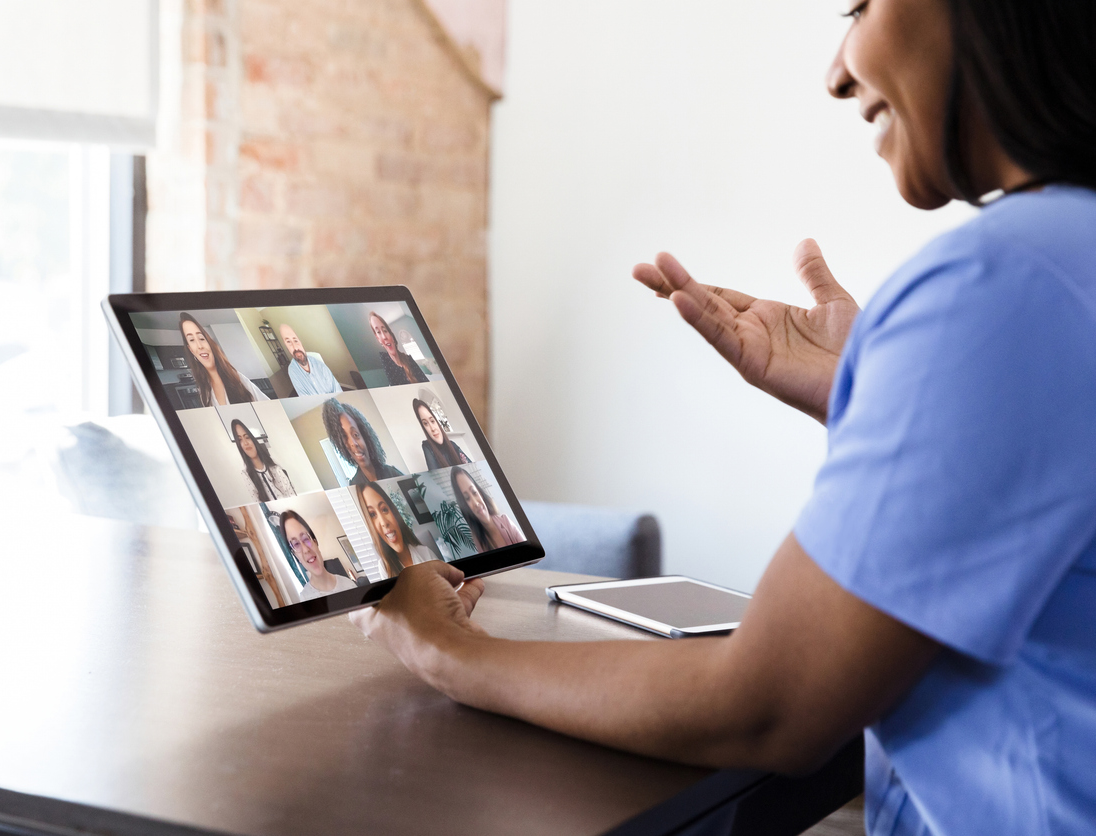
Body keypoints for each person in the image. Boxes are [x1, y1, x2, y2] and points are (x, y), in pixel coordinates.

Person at [349, 3, 1096, 835]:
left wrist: (446, 652)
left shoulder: (1004, 283)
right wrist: (880, 388)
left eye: (861, 7)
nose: (837, 71)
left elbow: (768, 704)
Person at [180, 312, 268, 407]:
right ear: (191, 350)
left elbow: (268, 406)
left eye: (201, 338)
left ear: (209, 342)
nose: (199, 346)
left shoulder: (236, 378)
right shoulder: (204, 392)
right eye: (192, 340)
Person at [357, 481, 442, 578]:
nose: (384, 522)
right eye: (372, 514)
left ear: (394, 512)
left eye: (384, 509)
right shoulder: (385, 568)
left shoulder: (425, 553)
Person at [321, 398, 405, 486]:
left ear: (365, 436)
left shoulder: (392, 473)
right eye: (345, 438)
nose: (353, 443)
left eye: (356, 435)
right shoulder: (355, 485)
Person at [281, 510, 357, 602]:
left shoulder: (349, 584)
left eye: (305, 538)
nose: (305, 550)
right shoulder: (305, 599)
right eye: (296, 544)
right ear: (296, 556)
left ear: (315, 542)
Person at [450, 467, 524, 552]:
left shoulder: (506, 521)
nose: (476, 503)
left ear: (480, 493)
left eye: (474, 492)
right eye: (467, 498)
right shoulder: (479, 542)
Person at [231, 419, 295, 502]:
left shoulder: (276, 469)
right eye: (240, 440)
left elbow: (291, 494)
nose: (245, 442)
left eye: (247, 437)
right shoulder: (246, 475)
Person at [280, 323, 343, 396]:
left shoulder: (319, 363)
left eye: (295, 340)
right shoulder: (292, 370)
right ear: (286, 347)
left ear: (300, 342)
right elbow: (304, 397)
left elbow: (337, 389)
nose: (295, 347)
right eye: (288, 342)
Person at [369, 311, 428, 385]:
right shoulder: (383, 360)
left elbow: (426, 383)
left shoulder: (409, 359)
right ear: (378, 339)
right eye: (378, 332)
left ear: (392, 337)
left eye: (385, 331)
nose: (384, 337)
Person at [414, 399, 471, 470]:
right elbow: (435, 476)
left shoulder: (452, 445)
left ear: (437, 421)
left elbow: (471, 466)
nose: (432, 428)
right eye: (425, 423)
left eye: (432, 421)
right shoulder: (427, 447)